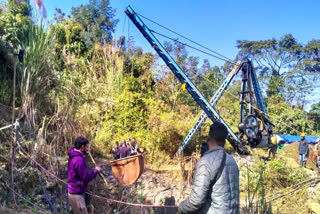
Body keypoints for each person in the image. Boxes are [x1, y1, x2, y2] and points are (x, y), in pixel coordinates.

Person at [178, 122, 239, 214]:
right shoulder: (232, 161)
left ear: (208, 137)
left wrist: (180, 208)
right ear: (224, 141)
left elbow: (196, 201)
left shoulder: (206, 162)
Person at [68, 136, 101, 214]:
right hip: (77, 195)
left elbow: (80, 162)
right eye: (86, 147)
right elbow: (86, 178)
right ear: (82, 147)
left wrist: (85, 154)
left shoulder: (73, 154)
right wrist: (95, 171)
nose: (87, 148)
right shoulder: (78, 160)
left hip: (72, 191)